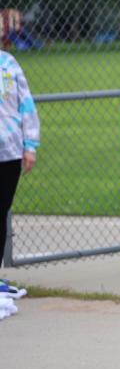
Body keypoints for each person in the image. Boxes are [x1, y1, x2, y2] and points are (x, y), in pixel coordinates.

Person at [1, 50, 39, 272]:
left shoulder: (9, 63)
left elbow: (26, 103)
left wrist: (30, 145)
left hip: (9, 150)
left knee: (1, 211)